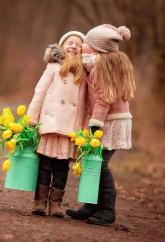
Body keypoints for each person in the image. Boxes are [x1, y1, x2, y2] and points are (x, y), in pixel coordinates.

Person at [66, 24, 136, 226]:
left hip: (108, 122)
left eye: (86, 43)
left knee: (101, 165)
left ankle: (107, 210)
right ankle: (91, 205)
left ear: (97, 49)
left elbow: (104, 98)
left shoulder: (100, 68)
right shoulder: (100, 64)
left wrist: (94, 125)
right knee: (93, 163)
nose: (83, 45)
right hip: (111, 119)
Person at [27, 31, 87, 218]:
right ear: (62, 47)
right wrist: (32, 118)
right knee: (45, 165)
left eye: (78, 44)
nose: (73, 46)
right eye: (70, 43)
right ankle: (39, 202)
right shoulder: (52, 68)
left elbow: (86, 104)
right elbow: (40, 93)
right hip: (50, 124)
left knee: (61, 167)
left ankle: (55, 204)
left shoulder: (84, 73)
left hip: (69, 129)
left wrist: (83, 129)